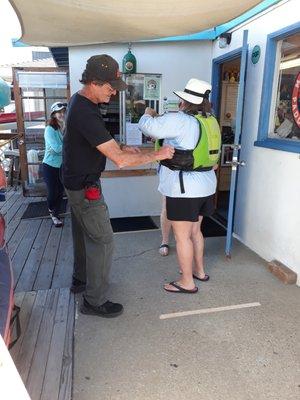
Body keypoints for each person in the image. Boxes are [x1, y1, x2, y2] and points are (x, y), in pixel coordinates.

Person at [62, 54, 174, 317]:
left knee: (82, 235)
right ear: (93, 82)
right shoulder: (84, 110)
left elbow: (100, 141)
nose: (113, 93)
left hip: (73, 182)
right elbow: (121, 161)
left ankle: (81, 280)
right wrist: (156, 155)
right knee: (102, 241)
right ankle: (94, 300)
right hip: (85, 187)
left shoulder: (82, 103)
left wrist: (122, 145)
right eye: (110, 87)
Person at [139, 78, 221, 294]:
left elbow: (147, 127)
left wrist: (148, 112)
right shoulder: (211, 120)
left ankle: (187, 282)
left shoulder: (182, 120)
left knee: (182, 236)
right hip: (206, 187)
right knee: (196, 232)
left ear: (185, 101)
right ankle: (199, 272)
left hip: (184, 189)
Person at [43, 102, 67, 227]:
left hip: (61, 165)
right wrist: (69, 146)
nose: (62, 114)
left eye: (63, 111)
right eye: (59, 112)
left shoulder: (63, 127)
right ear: (53, 114)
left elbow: (59, 148)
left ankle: (56, 213)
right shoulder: (49, 129)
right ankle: (52, 212)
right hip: (50, 166)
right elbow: (57, 148)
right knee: (53, 192)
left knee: (60, 191)